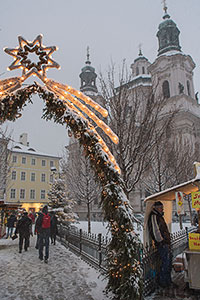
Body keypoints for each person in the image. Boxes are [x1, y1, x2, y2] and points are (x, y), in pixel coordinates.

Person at [148, 201, 172, 288]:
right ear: (156, 208)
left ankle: (168, 281)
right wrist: (161, 241)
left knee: (168, 262)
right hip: (162, 244)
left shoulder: (159, 216)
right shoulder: (154, 216)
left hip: (165, 243)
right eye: (160, 208)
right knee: (165, 263)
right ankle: (163, 282)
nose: (162, 209)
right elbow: (155, 230)